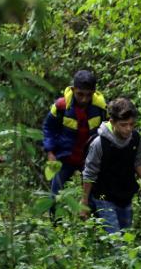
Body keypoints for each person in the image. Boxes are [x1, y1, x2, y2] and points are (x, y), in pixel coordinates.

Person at [80, 97, 141, 234]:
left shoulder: (135, 138)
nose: (128, 129)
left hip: (125, 195)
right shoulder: (99, 143)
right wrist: (84, 203)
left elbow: (137, 161)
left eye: (131, 124)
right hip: (103, 196)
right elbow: (89, 173)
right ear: (112, 122)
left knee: (125, 237)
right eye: (123, 125)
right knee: (116, 242)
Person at [42, 70, 107, 205]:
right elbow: (49, 128)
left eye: (88, 95)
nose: (84, 99)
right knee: (55, 196)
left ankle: (92, 224)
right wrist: (50, 152)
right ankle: (56, 224)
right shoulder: (61, 106)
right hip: (65, 157)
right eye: (80, 94)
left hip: (89, 159)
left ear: (94, 92)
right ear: (73, 89)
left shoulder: (100, 108)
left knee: (94, 198)